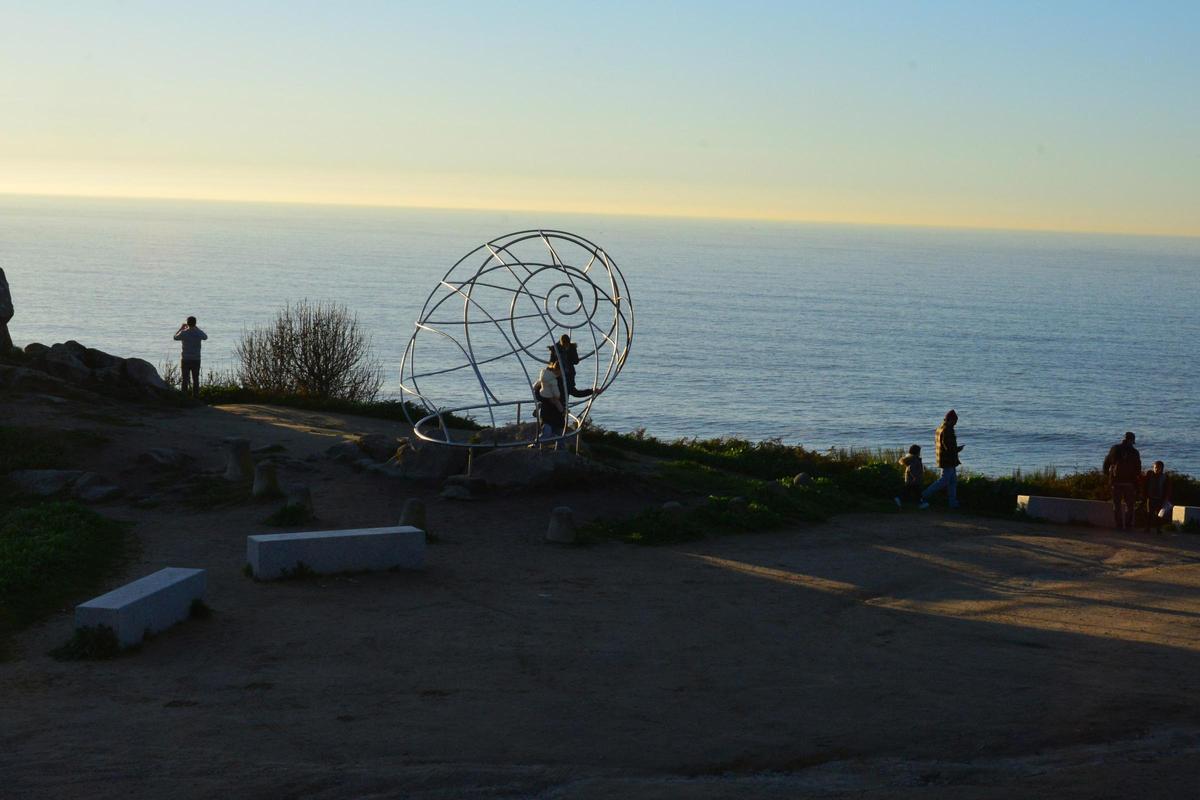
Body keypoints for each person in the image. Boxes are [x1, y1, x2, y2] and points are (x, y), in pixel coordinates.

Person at [919, 409, 964, 509]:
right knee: (944, 481)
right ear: (949, 420)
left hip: (944, 458)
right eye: (954, 421)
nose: (955, 424)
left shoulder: (939, 428)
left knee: (952, 481)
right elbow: (948, 447)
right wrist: (958, 449)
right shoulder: (947, 430)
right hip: (948, 460)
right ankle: (923, 495)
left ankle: (953, 503)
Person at [1102, 431, 1142, 531]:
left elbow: (1106, 464)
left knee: (1117, 505)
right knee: (1130, 506)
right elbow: (1138, 469)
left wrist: (1109, 476)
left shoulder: (1115, 449)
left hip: (1116, 482)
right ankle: (1128, 525)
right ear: (1132, 440)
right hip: (1129, 483)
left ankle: (1119, 525)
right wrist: (1136, 482)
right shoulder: (1134, 452)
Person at [548, 334, 597, 399]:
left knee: (570, 391)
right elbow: (551, 361)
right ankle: (562, 407)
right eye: (564, 345)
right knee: (562, 393)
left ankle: (592, 391)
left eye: (567, 345)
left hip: (569, 375)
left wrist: (570, 356)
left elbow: (576, 361)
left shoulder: (572, 347)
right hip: (558, 375)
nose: (566, 347)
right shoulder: (555, 348)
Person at [173, 316, 208, 399]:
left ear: (187, 323)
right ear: (195, 323)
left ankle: (184, 397)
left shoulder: (184, 333)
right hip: (196, 359)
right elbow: (205, 337)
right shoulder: (198, 332)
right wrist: (196, 328)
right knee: (196, 379)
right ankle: (196, 397)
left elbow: (175, 337)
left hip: (185, 359)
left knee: (185, 379)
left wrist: (181, 328)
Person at [532, 359, 565, 447]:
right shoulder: (551, 379)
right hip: (549, 412)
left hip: (555, 413)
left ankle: (560, 453)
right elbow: (538, 392)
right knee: (549, 433)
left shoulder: (546, 376)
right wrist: (548, 399)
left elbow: (536, 389)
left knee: (558, 435)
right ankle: (535, 446)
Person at [1141, 460, 1172, 533]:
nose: (1156, 469)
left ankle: (1158, 528)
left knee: (1159, 514)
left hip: (1160, 498)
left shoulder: (1165, 477)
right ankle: (1147, 528)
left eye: (1158, 468)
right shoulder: (1149, 475)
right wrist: (1144, 495)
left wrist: (1166, 498)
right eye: (1155, 467)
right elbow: (1145, 485)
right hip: (1150, 497)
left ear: (1162, 469)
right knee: (1149, 513)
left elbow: (1167, 488)